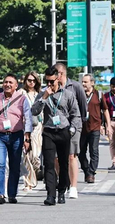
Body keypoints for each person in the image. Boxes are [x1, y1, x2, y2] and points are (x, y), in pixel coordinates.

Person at [31, 65, 81, 206]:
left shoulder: (67, 95)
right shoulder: (42, 94)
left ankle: (61, 190)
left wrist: (72, 129)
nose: (49, 84)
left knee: (64, 164)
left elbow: (75, 114)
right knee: (48, 163)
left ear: (58, 79)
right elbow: (34, 111)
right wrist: (44, 98)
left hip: (64, 131)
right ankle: (50, 194)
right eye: (47, 81)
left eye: (52, 81)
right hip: (48, 132)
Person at [0, 74, 32, 204]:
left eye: (11, 83)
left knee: (14, 165)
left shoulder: (22, 99)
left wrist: (27, 135)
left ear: (16, 86)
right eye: (5, 82)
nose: (7, 85)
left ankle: (12, 194)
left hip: (16, 135)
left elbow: (28, 118)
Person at [54, 63, 87, 199]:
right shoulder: (53, 88)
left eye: (55, 74)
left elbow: (83, 106)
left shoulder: (75, 86)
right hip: (57, 127)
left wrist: (79, 124)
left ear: (61, 74)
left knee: (71, 156)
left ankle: (73, 187)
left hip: (73, 125)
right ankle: (64, 181)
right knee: (56, 158)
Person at [79, 74, 110, 184]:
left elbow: (105, 110)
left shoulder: (99, 95)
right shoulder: (79, 95)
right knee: (81, 152)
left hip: (95, 127)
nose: (83, 84)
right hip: (82, 128)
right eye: (82, 82)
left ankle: (91, 173)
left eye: (86, 82)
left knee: (94, 151)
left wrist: (108, 125)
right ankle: (86, 170)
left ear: (92, 83)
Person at [19, 71, 43, 191]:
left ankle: (37, 170)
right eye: (29, 80)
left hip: (37, 126)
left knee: (35, 155)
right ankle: (28, 182)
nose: (31, 83)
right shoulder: (21, 93)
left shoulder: (40, 93)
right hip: (25, 126)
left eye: (34, 80)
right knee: (26, 155)